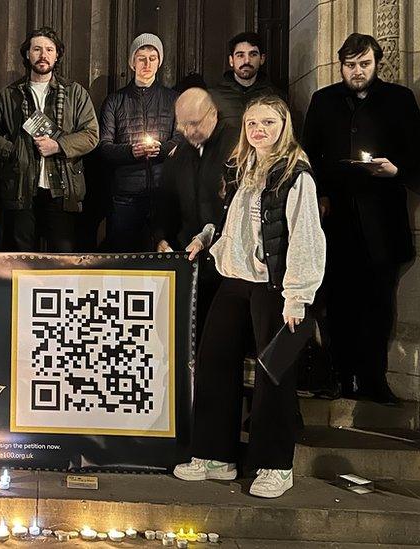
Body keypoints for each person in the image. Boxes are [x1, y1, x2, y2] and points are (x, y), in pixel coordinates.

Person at [173, 95, 326, 498]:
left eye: (268, 123)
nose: (259, 130)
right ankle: (215, 455)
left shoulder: (297, 174)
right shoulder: (245, 166)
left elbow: (307, 238)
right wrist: (208, 237)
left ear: (284, 126)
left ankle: (275, 465)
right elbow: (234, 221)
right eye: (253, 123)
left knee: (273, 373)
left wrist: (297, 296)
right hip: (235, 278)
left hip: (274, 285)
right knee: (214, 360)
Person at [301, 33, 420, 404]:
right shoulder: (323, 100)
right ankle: (341, 377)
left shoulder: (399, 99)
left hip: (382, 222)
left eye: (364, 64)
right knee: (338, 304)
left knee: (378, 304)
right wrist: (321, 195)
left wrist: (396, 169)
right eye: (350, 65)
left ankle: (374, 381)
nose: (357, 72)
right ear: (340, 66)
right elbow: (307, 157)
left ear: (377, 64)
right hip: (336, 220)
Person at [0, 26, 99, 252]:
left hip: (62, 189)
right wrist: (13, 150)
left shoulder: (75, 93)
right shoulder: (8, 95)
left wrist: (58, 145)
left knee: (62, 259)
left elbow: (91, 135)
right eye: (37, 49)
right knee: (20, 259)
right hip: (20, 188)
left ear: (57, 55)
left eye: (49, 49)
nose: (43, 55)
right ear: (27, 54)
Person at [155, 88, 239, 337]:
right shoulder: (180, 152)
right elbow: (166, 200)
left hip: (228, 265)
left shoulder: (237, 145)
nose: (188, 131)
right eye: (182, 125)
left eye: (194, 123)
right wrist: (161, 236)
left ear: (212, 114)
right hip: (191, 260)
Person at [97, 32, 182, 252]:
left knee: (164, 254)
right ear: (132, 63)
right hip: (126, 192)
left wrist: (162, 149)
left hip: (163, 189)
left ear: (159, 62)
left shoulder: (173, 99)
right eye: (141, 58)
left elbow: (181, 139)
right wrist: (131, 151)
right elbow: (104, 146)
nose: (147, 64)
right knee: (124, 254)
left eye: (152, 58)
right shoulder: (115, 100)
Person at [211, 32, 283, 131]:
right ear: (231, 60)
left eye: (253, 54)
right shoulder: (212, 98)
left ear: (262, 59)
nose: (247, 61)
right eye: (240, 55)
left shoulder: (276, 97)